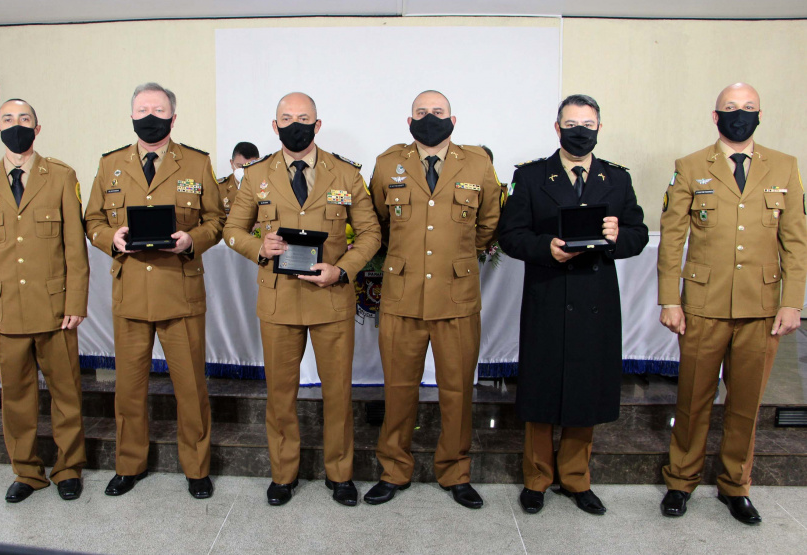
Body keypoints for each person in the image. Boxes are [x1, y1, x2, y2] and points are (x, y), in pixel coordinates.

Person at [658, 83, 807, 525]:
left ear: (760, 114)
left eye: (747, 108)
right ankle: (680, 481)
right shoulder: (689, 166)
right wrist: (670, 299)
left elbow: (796, 242)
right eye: (730, 108)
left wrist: (792, 303)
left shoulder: (784, 166)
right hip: (702, 304)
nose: (738, 114)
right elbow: (672, 239)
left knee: (746, 403)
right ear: (714, 115)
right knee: (693, 399)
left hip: (762, 307)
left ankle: (735, 485)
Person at [223, 92, 380, 507]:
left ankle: (340, 474)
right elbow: (232, 230)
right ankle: (283, 474)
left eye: (304, 118)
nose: (296, 124)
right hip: (279, 301)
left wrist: (342, 269)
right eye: (287, 118)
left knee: (338, 393)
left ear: (318, 124)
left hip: (330, 297)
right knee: (280, 394)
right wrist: (260, 247)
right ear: (274, 127)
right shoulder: (256, 175)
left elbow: (370, 234)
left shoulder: (345, 174)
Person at [497, 94, 648, 516]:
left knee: (586, 388)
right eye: (571, 122)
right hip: (547, 293)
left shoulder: (616, 179)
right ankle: (537, 478)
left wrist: (619, 236)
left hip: (595, 297)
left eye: (588, 123)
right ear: (557, 126)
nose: (580, 130)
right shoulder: (530, 177)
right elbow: (510, 236)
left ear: (599, 127)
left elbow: (638, 233)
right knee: (542, 388)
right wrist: (547, 247)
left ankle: (577, 478)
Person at [84, 82, 225, 499]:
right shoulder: (110, 164)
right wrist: (112, 237)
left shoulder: (197, 164)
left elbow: (217, 220)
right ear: (131, 116)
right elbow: (91, 219)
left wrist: (191, 240)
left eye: (158, 109)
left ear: (173, 117)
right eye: (142, 109)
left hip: (179, 290)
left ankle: (197, 468)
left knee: (191, 388)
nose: (150, 115)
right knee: (128, 387)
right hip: (131, 291)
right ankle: (129, 465)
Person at [365, 90, 501, 509]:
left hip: (455, 296)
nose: (429, 118)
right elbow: (378, 222)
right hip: (402, 296)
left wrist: (455, 257)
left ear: (453, 119)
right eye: (421, 113)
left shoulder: (478, 163)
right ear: (410, 121)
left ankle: (456, 472)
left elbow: (488, 223)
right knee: (398, 389)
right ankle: (394, 470)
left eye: (437, 112)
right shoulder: (389, 163)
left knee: (457, 390)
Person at [0, 98, 89, 503]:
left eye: (24, 120)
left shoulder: (60, 176)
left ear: (37, 129)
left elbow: (75, 249)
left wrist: (76, 302)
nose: (16, 126)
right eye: (7, 119)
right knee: (16, 399)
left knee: (66, 394)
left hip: (56, 310)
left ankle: (68, 468)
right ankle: (27, 472)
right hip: (6, 312)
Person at [217, 141, 260, 214]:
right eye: (240, 166)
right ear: (231, 163)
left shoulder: (266, 186)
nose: (244, 170)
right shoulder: (218, 188)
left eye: (249, 166)